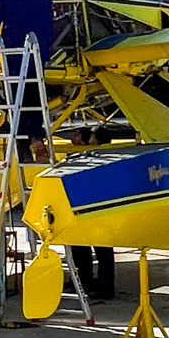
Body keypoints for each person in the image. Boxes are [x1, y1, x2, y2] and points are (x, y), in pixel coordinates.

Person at [0, 0, 53, 161]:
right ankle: (37, 139)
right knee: (33, 99)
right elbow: (49, 27)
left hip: (14, 55)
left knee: (15, 102)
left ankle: (24, 150)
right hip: (35, 54)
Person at [69, 126, 115, 300]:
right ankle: (93, 281)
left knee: (103, 251)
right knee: (100, 250)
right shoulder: (102, 155)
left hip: (97, 208)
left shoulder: (95, 155)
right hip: (98, 207)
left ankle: (106, 287)